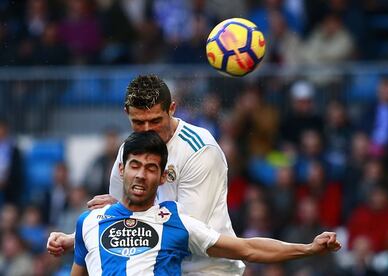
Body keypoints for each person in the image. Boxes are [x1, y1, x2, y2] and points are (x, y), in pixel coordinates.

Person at [47, 74, 245, 274]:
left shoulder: (200, 150)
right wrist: (79, 235)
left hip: (207, 269)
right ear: (127, 113)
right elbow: (121, 219)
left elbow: (182, 233)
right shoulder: (129, 150)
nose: (148, 130)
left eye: (155, 120)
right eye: (139, 122)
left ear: (172, 109)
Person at [70, 131, 341, 276]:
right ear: (121, 170)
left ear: (163, 176)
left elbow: (247, 248)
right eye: (135, 166)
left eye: (151, 168)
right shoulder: (89, 222)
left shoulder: (176, 223)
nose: (142, 174)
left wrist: (308, 248)